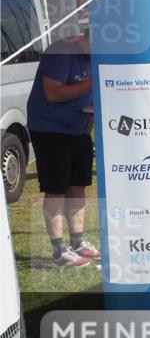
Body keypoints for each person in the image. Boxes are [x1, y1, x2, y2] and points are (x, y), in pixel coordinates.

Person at [27, 25, 100, 267]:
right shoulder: (61, 51)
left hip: (77, 127)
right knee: (56, 188)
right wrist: (93, 83)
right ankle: (59, 250)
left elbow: (87, 92)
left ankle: (78, 242)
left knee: (78, 185)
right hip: (49, 128)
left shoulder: (91, 57)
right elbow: (53, 94)